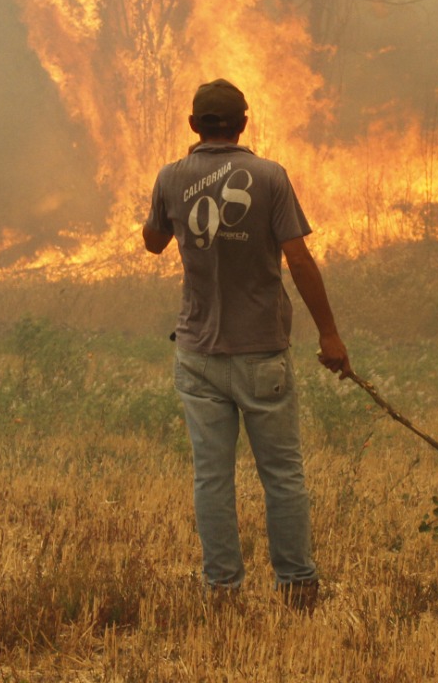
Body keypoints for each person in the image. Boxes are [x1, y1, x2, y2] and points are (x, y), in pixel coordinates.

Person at [142, 78, 352, 610]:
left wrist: (172, 210)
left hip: (198, 355)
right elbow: (299, 259)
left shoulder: (170, 177)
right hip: (261, 352)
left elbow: (153, 242)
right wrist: (329, 333)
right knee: (281, 473)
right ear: (244, 122)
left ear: (193, 125)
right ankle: (298, 586)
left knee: (212, 477)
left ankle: (222, 592)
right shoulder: (270, 177)